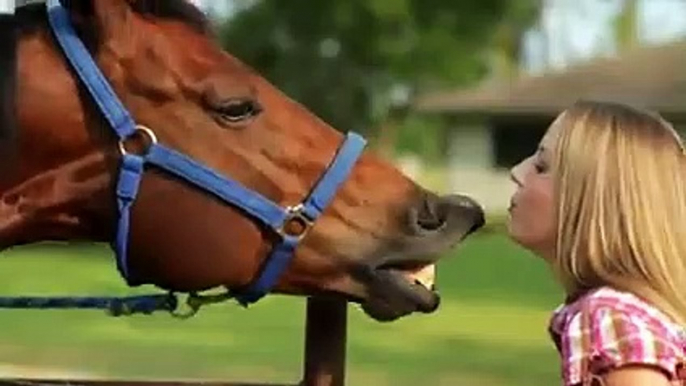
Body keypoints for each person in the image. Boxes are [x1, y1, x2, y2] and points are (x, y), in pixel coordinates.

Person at [507, 100, 686, 386]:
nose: (516, 171)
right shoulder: (637, 316)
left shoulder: (608, 318)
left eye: (541, 166)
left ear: (597, 202)